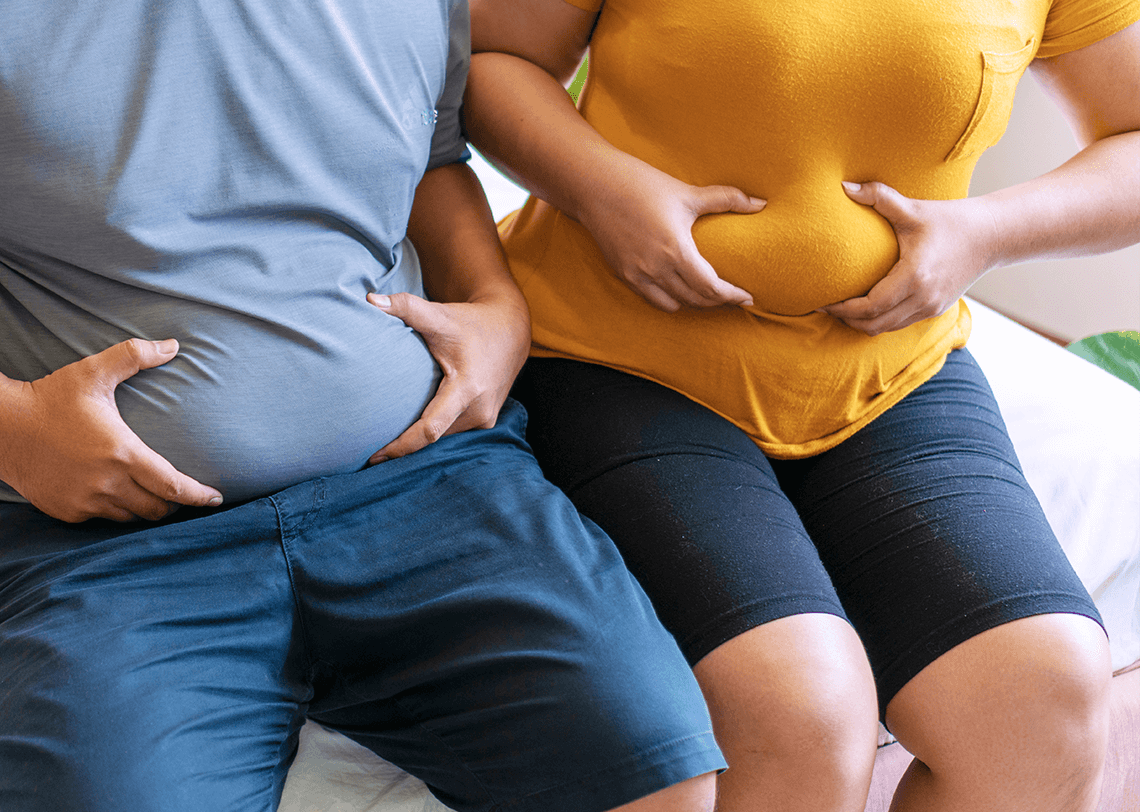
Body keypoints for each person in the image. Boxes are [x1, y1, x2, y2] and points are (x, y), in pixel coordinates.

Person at [0, 1, 732, 810]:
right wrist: (2, 428)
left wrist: (495, 302)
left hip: (419, 480)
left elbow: (427, 151)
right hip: (84, 544)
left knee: (658, 766)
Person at [464, 2, 1140, 811]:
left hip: (890, 373)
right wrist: (604, 190)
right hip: (617, 359)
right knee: (800, 711)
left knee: (1045, 695)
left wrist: (986, 232)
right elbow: (489, 59)